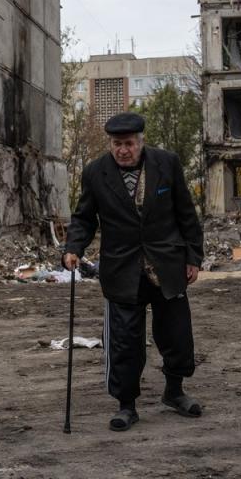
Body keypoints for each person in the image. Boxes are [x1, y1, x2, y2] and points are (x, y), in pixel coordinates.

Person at [63, 112, 204, 432]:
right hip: (121, 270)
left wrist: (193, 256)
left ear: (141, 142)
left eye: (128, 144)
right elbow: (84, 218)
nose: (122, 150)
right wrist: (73, 248)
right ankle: (126, 405)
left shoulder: (166, 163)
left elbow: (186, 214)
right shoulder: (95, 173)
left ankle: (174, 392)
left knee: (177, 336)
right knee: (124, 343)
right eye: (117, 144)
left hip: (167, 266)